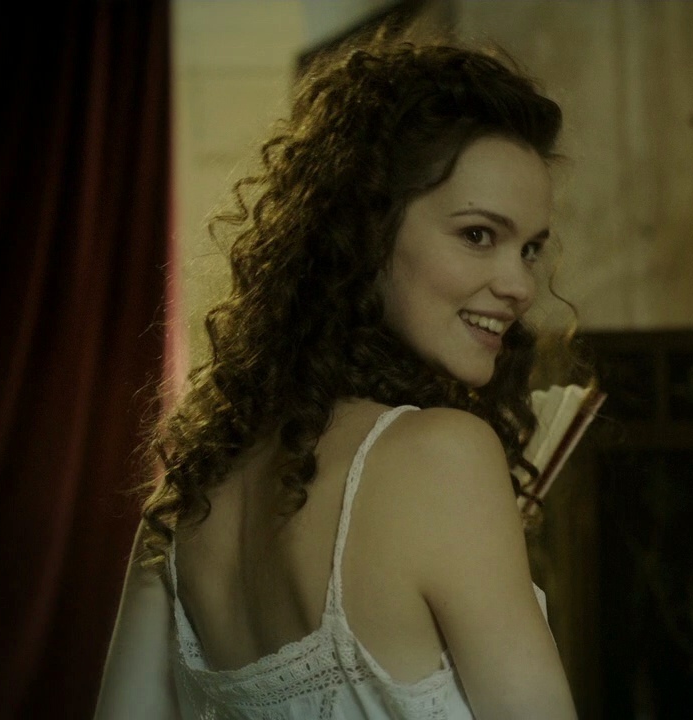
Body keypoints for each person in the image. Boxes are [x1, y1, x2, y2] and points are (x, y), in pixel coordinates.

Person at [94, 38, 580, 719]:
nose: (520, 285)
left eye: (529, 249)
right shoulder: (445, 455)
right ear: (365, 229)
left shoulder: (192, 488)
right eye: (478, 235)